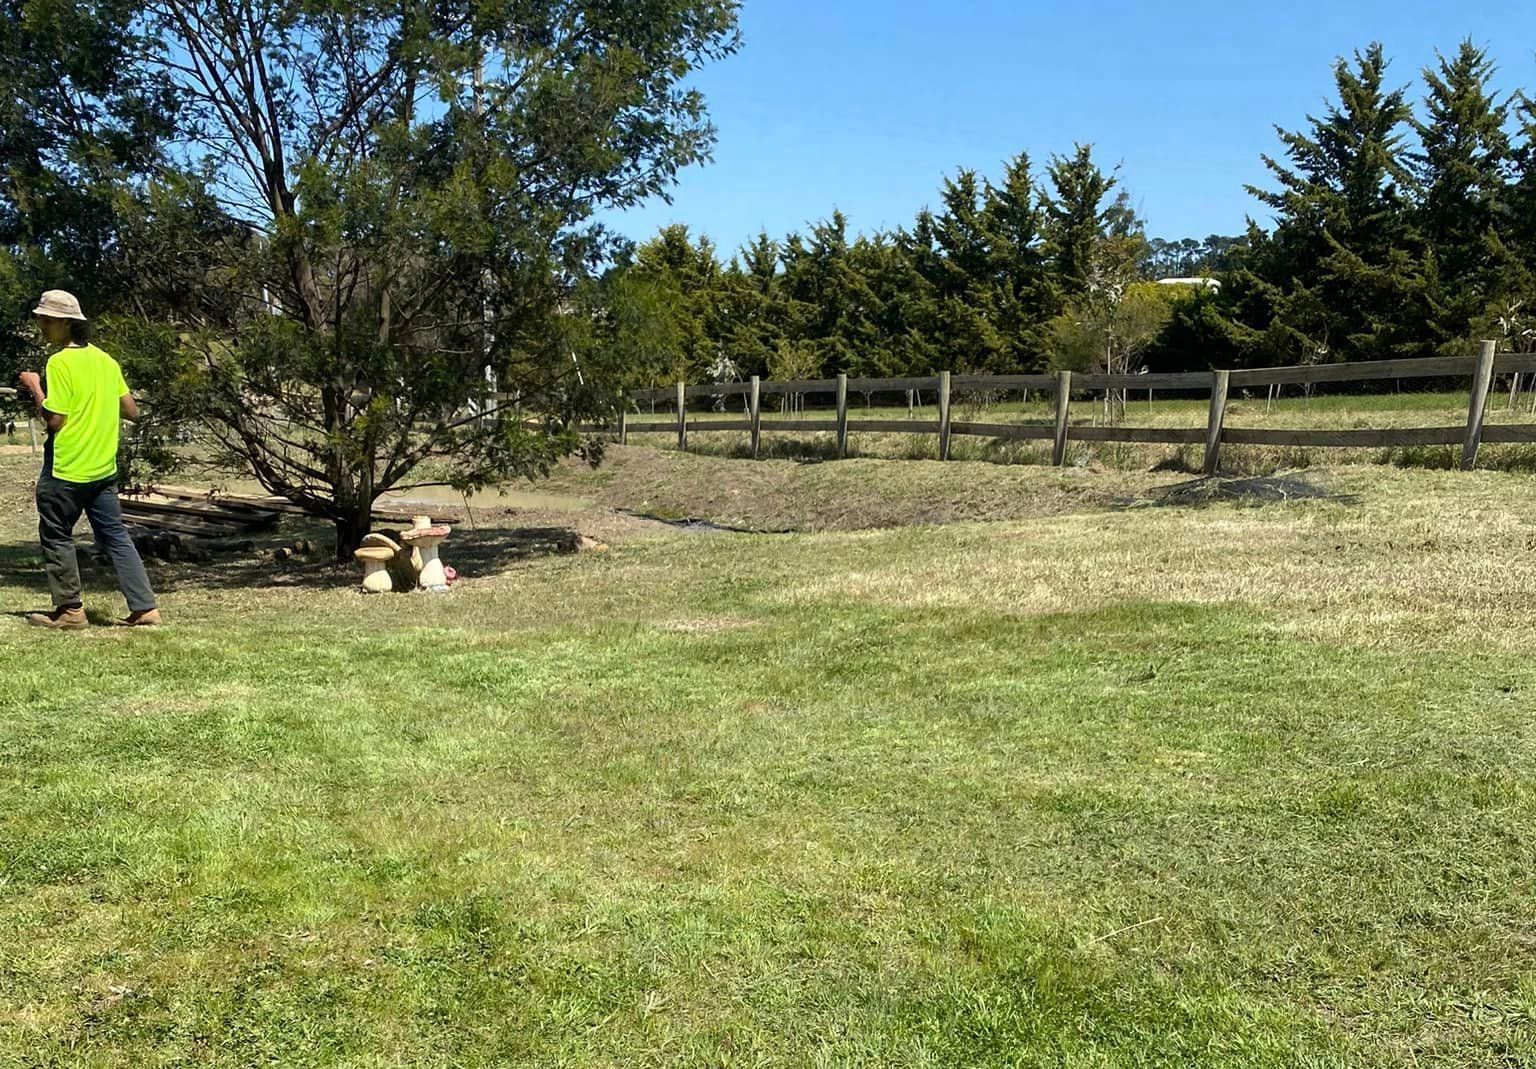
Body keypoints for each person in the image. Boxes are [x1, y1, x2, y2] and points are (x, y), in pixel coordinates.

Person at [16, 290, 161, 629]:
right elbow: (131, 410)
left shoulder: (59, 363)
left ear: (67, 324)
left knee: (56, 535)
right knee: (115, 536)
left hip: (67, 467)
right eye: (41, 318)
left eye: (47, 320)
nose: (41, 325)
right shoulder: (105, 361)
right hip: (102, 467)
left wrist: (35, 386)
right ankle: (145, 608)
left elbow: (54, 421)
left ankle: (70, 611)